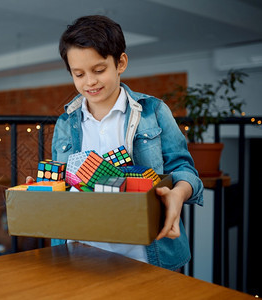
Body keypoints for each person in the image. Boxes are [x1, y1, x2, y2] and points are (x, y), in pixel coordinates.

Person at [40, 15, 203, 271]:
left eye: (99, 70)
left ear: (121, 63)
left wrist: (178, 193)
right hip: (80, 251)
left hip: (144, 253)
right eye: (79, 74)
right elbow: (62, 182)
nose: (89, 82)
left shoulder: (154, 112)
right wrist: (43, 189)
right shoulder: (65, 123)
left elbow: (185, 171)